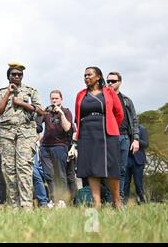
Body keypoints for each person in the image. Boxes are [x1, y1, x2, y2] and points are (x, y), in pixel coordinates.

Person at [0, 62, 42, 210]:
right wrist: (8, 93)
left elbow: (40, 110)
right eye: (13, 74)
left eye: (19, 74)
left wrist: (21, 103)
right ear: (8, 76)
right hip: (6, 133)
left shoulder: (31, 91)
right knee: (9, 169)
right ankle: (14, 205)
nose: (16, 76)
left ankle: (26, 205)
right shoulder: (2, 92)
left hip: (26, 132)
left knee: (24, 168)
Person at [75, 67, 124, 209]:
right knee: (91, 167)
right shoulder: (80, 94)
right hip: (86, 133)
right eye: (84, 75)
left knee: (111, 167)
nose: (86, 77)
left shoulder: (108, 92)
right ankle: (97, 203)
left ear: (98, 77)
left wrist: (111, 124)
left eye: (89, 75)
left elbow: (119, 114)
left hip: (106, 132)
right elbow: (78, 117)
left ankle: (117, 202)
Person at [106, 71, 140, 200]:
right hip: (108, 137)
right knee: (108, 169)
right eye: (108, 81)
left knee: (122, 169)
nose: (110, 83)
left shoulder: (126, 100)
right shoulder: (103, 99)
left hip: (124, 137)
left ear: (119, 82)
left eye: (113, 81)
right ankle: (109, 199)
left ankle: (119, 200)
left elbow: (135, 120)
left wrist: (136, 139)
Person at [39, 90, 73, 204]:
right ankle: (53, 200)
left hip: (60, 146)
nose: (54, 100)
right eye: (52, 98)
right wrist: (42, 112)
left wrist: (61, 114)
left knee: (60, 174)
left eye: (56, 98)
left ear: (61, 99)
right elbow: (37, 125)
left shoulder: (66, 111)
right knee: (49, 175)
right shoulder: (47, 111)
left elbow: (67, 128)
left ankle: (62, 200)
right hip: (45, 147)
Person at [124, 125, 149, 204]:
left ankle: (142, 201)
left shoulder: (142, 129)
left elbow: (146, 144)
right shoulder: (125, 129)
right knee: (125, 183)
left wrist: (136, 140)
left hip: (138, 161)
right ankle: (124, 202)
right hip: (126, 159)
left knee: (138, 183)